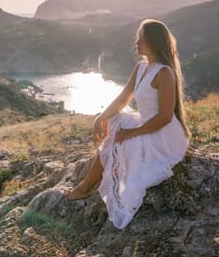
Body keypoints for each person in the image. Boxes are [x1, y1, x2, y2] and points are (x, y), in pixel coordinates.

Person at [65, 19, 191, 229]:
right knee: (113, 121)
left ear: (152, 41)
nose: (136, 43)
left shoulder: (164, 73)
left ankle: (86, 186)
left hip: (162, 132)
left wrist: (131, 133)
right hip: (145, 123)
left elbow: (165, 117)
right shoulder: (142, 67)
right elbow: (124, 98)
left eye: (140, 38)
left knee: (118, 139)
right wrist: (100, 117)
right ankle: (87, 184)